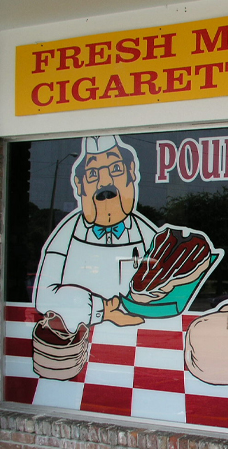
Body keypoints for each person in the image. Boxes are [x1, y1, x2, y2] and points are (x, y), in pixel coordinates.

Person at [34, 135, 156, 333]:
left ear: (131, 172)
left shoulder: (147, 235)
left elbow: (166, 283)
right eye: (92, 174)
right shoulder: (66, 235)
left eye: (115, 169)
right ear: (79, 184)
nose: (104, 182)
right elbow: (44, 297)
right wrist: (104, 311)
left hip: (139, 333)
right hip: (82, 336)